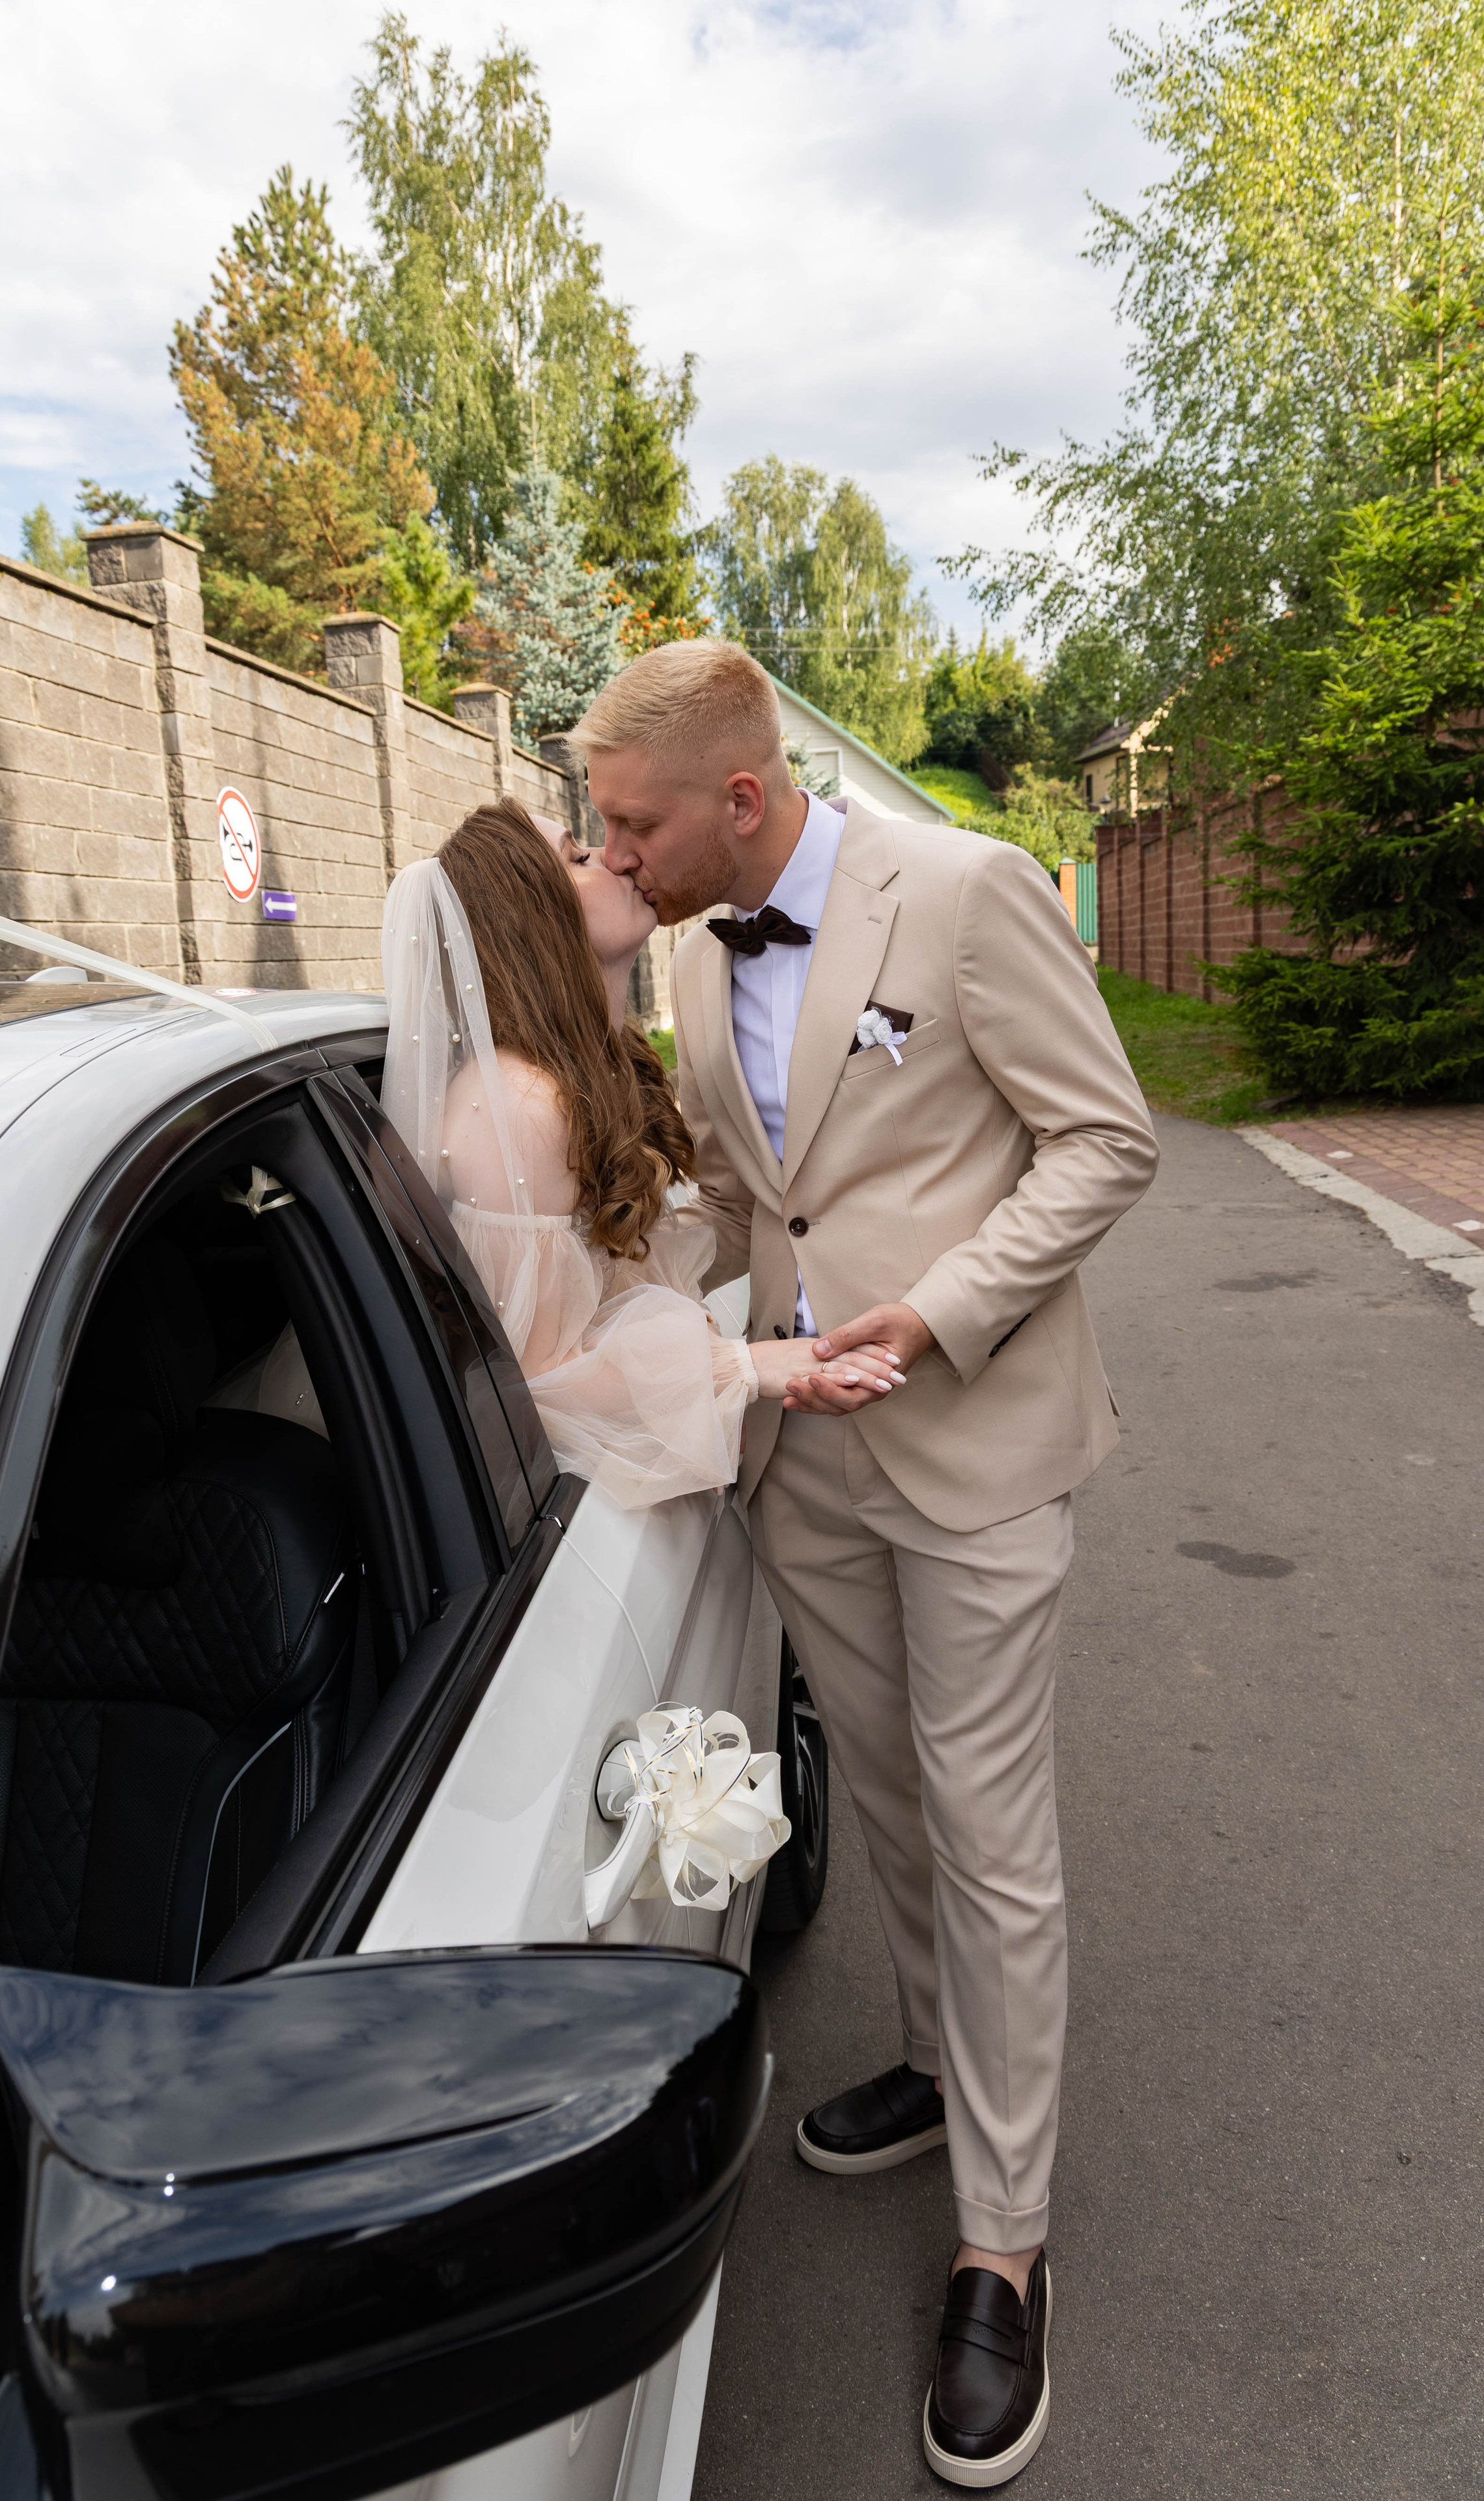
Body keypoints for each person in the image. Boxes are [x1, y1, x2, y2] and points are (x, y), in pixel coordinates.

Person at [570, 640, 1158, 2487]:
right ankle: (931, 2054)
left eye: (631, 821)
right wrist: (624, 1331)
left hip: (974, 1440)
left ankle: (1004, 2247)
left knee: (992, 1839)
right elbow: (756, 1196)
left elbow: (1105, 1142)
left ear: (740, 798)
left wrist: (946, 1307)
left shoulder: (970, 891)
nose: (616, 851)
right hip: (805, 1463)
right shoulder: (679, 950)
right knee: (891, 1801)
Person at [379, 797, 900, 1509]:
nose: (615, 856)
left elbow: (608, 1271)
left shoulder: (595, 1064)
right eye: (577, 855)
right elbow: (530, 1382)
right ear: (529, 914)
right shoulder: (519, 1104)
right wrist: (743, 1366)